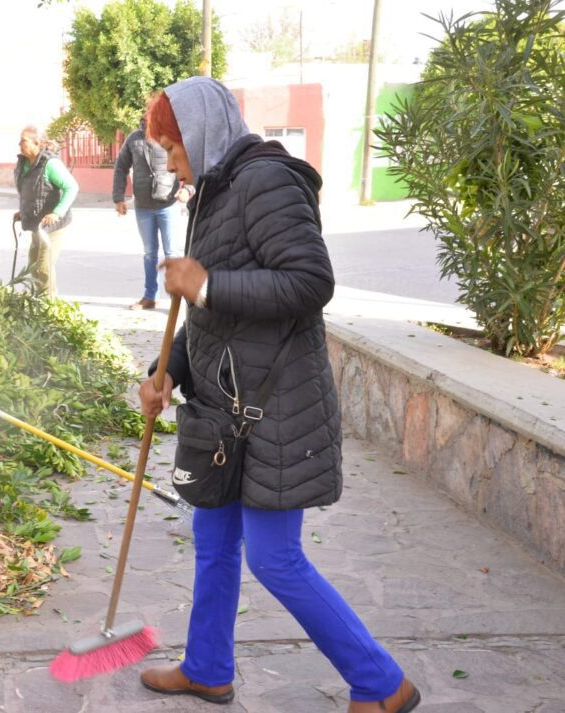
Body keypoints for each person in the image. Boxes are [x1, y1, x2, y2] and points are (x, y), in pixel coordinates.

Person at [136, 77, 421, 713]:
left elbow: (309, 281)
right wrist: (168, 374)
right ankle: (207, 669)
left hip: (275, 412)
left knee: (275, 558)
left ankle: (381, 684)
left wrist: (206, 284)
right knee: (212, 542)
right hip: (222, 413)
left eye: (173, 148)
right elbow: (207, 316)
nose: (171, 163)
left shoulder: (267, 181)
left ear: (202, 136)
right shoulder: (210, 193)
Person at [111, 119, 191, 310]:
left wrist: (188, 188)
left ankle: (176, 300)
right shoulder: (133, 139)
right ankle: (149, 297)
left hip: (168, 204)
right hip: (143, 206)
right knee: (149, 254)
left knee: (172, 253)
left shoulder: (170, 136)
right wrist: (118, 198)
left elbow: (188, 162)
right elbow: (121, 167)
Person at [13, 126, 79, 297]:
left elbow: (72, 187)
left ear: (36, 143)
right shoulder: (25, 163)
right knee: (33, 265)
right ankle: (39, 302)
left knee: (43, 266)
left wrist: (57, 212)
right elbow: (31, 191)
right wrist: (23, 211)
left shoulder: (50, 164)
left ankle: (50, 306)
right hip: (37, 224)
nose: (19, 144)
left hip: (53, 225)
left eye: (23, 141)